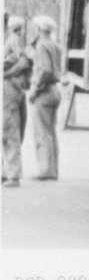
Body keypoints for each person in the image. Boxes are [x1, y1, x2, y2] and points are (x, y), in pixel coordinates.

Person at [27, 15, 63, 182]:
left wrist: (35, 89)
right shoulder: (55, 45)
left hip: (44, 91)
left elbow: (45, 70)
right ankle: (53, 169)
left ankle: (45, 170)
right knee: (51, 132)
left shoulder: (41, 45)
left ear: (40, 29)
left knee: (42, 133)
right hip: (55, 90)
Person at [3, 17, 31, 187]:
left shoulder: (12, 40)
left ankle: (12, 175)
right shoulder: (13, 40)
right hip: (13, 89)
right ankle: (7, 172)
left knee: (10, 130)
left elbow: (23, 62)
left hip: (10, 89)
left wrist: (6, 74)